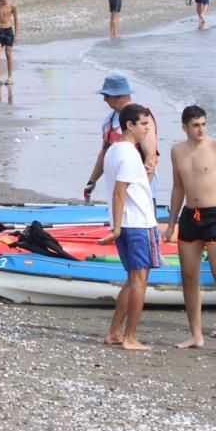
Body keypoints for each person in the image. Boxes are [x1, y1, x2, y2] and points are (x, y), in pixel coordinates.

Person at [164, 105, 216, 356]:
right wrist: (171, 223)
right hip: (191, 216)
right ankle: (195, 334)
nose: (201, 129)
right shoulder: (177, 150)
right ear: (184, 127)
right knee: (189, 277)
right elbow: (178, 188)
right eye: (196, 125)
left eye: (203, 124)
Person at [96, 104, 160, 351]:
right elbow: (119, 192)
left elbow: (133, 189)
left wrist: (149, 173)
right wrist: (117, 228)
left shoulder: (116, 150)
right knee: (139, 281)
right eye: (144, 124)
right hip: (137, 224)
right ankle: (130, 337)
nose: (147, 129)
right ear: (129, 125)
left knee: (133, 279)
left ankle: (114, 332)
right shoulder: (127, 153)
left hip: (132, 222)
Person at [84, 74, 158, 206]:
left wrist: (142, 192)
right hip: (118, 189)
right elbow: (104, 152)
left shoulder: (141, 118)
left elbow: (150, 157)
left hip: (139, 192)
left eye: (107, 95)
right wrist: (92, 181)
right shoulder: (109, 120)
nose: (104, 100)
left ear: (119, 96)